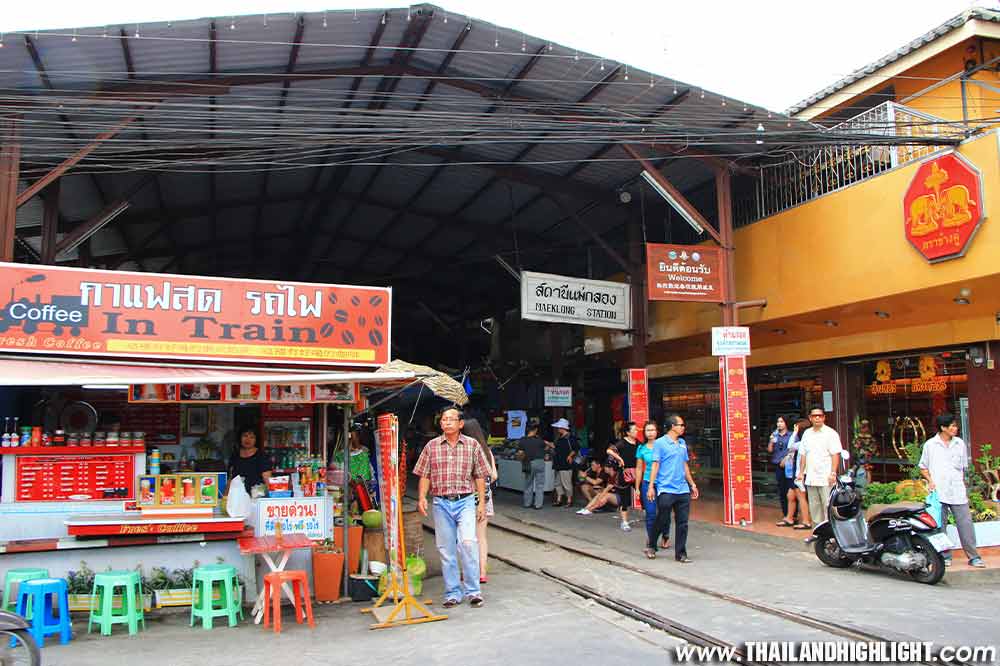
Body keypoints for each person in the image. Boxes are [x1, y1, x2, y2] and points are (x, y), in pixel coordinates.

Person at [415, 407, 489, 608]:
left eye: (451, 419)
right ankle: (453, 593)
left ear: (460, 424)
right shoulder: (432, 446)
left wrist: (481, 502)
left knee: (467, 543)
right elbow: (424, 474)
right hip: (441, 502)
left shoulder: (472, 445)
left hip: (465, 501)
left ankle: (473, 591)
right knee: (446, 550)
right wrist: (422, 496)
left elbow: (480, 475)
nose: (446, 422)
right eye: (444, 420)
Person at [919, 413, 986, 568]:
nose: (955, 428)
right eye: (952, 426)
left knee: (966, 524)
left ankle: (974, 556)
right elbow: (923, 467)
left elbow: (963, 467)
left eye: (956, 426)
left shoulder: (959, 443)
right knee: (939, 526)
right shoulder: (930, 445)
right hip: (938, 492)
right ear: (943, 428)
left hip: (957, 491)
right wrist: (930, 481)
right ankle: (945, 556)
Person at [646, 415, 699, 561]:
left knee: (683, 523)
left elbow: (684, 464)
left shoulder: (682, 443)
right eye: (681, 425)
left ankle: (681, 553)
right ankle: (651, 544)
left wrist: (692, 484)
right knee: (663, 518)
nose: (683, 427)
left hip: (682, 489)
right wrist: (651, 486)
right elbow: (655, 465)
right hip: (666, 488)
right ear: (672, 426)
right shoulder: (660, 443)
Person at [462, 418, 498, 584]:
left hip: (468, 499)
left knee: (466, 537)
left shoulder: (466, 450)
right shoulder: (487, 450)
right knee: (481, 537)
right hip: (486, 498)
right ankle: (482, 572)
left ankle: (468, 571)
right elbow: (494, 475)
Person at [796, 407, 843, 524]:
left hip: (826, 478)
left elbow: (835, 454)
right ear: (810, 418)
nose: (817, 418)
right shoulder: (807, 433)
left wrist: (833, 472)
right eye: (814, 416)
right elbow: (803, 454)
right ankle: (818, 535)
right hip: (811, 478)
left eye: (820, 416)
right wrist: (801, 473)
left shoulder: (831, 434)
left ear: (824, 417)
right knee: (815, 508)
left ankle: (831, 536)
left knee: (828, 506)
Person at [635, 421, 667, 550]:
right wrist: (637, 487)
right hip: (648, 483)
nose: (650, 433)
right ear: (644, 432)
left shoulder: (663, 446)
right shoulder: (641, 448)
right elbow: (638, 469)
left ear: (657, 431)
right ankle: (651, 541)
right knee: (651, 513)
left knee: (664, 512)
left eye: (653, 430)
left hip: (664, 483)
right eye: (648, 430)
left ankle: (665, 535)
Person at [776, 418, 812, 529]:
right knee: (790, 495)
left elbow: (790, 446)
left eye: (796, 428)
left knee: (801, 497)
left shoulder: (806, 443)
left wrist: (795, 432)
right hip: (796, 473)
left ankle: (806, 521)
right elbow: (791, 446)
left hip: (800, 474)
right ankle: (789, 518)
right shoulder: (802, 442)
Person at [606, 421, 639, 532]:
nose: (636, 431)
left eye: (636, 429)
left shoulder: (638, 443)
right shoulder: (622, 443)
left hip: (637, 473)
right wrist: (619, 459)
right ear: (628, 432)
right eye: (634, 430)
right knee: (624, 499)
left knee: (644, 494)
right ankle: (624, 522)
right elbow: (609, 450)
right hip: (624, 473)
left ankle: (650, 517)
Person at [227, 426, 272, 493]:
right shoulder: (235, 456)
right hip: (237, 496)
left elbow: (268, 481)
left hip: (257, 497)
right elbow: (230, 478)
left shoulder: (262, 456)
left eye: (252, 437)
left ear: (256, 440)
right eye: (245, 436)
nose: (248, 440)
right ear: (240, 438)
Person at [517, 423, 548, 510]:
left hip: (529, 463)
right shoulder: (539, 440)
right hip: (540, 463)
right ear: (534, 430)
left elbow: (520, 453)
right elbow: (546, 448)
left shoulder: (523, 440)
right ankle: (538, 505)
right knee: (540, 485)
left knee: (528, 484)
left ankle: (527, 503)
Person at [767, 416, 793, 516]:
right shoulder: (775, 435)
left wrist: (786, 458)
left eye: (781, 421)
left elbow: (795, 449)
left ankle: (793, 515)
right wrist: (771, 440)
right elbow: (770, 450)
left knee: (791, 490)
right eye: (778, 422)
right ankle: (785, 513)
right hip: (778, 465)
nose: (779, 424)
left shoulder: (791, 435)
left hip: (789, 466)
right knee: (782, 490)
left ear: (786, 423)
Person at [550, 418, 578, 507]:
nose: (558, 429)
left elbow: (576, 448)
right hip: (558, 463)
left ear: (563, 428)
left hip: (566, 464)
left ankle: (569, 500)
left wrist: (570, 456)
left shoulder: (571, 438)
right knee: (557, 483)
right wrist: (548, 444)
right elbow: (556, 447)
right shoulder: (559, 437)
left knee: (566, 483)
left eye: (559, 427)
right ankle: (559, 499)